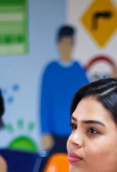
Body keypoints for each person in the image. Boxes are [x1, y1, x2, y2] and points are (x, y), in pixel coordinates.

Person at [39, 25, 90, 154]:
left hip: (77, 133)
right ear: (58, 44)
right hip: (55, 136)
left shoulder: (78, 70)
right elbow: (44, 103)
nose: (67, 46)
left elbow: (88, 99)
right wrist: (45, 132)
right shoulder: (50, 70)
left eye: (70, 43)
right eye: (64, 42)